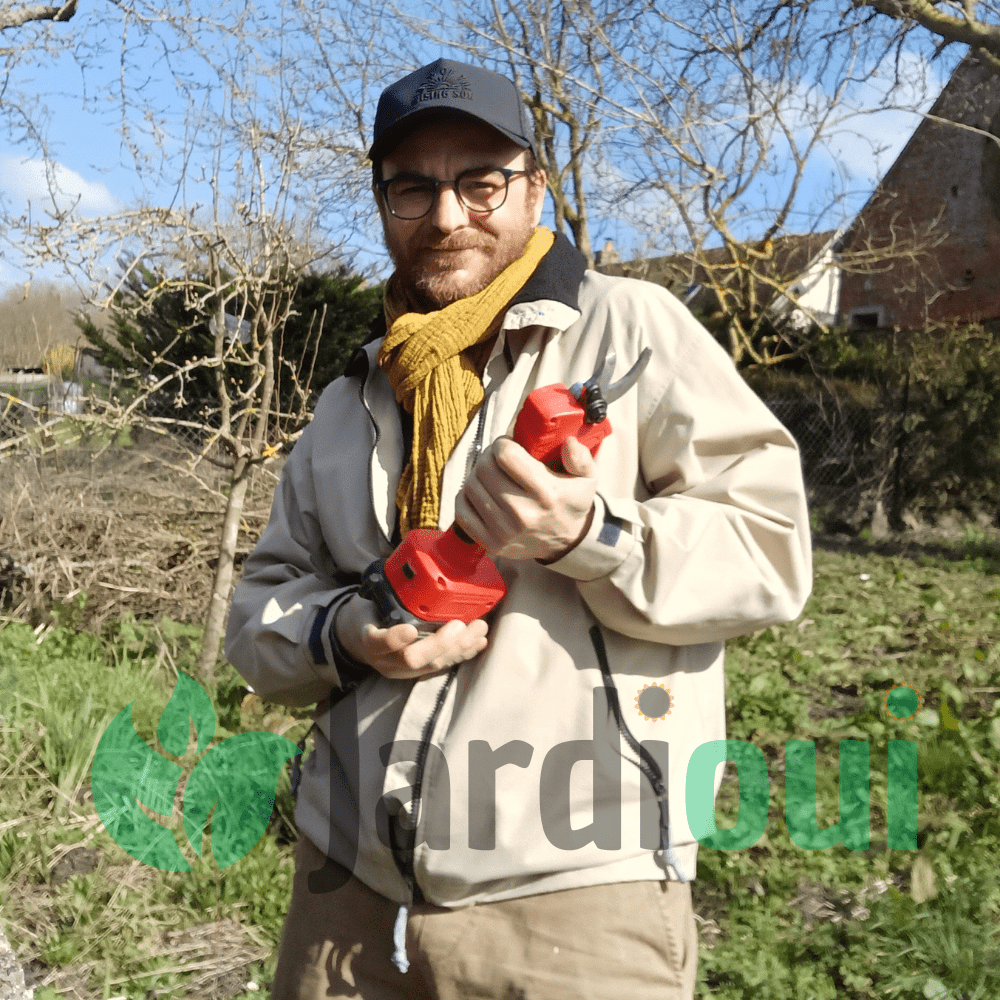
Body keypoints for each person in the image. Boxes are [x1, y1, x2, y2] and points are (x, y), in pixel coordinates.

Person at [225, 57, 812, 1000]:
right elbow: (257, 616)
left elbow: (773, 553)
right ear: (381, 202)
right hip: (347, 896)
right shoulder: (351, 396)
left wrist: (597, 537)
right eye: (415, 188)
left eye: (480, 182)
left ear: (534, 188)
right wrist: (340, 634)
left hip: (579, 900)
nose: (449, 216)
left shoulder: (631, 332)